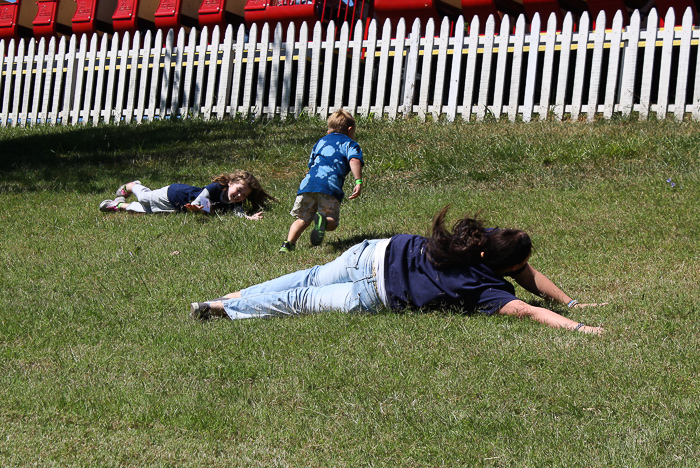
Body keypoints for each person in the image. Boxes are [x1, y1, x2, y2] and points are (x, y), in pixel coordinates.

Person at [190, 206, 605, 335]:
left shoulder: (478, 239)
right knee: (303, 301)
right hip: (374, 295)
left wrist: (570, 300)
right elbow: (530, 307)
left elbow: (527, 275)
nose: (524, 273)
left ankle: (236, 295)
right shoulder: (487, 290)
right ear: (501, 268)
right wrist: (580, 325)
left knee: (309, 277)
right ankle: (226, 309)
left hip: (374, 254)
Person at [279, 109, 364, 252]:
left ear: (328, 130)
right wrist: (358, 181)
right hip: (329, 187)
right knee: (332, 221)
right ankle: (323, 222)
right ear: (350, 130)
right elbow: (354, 159)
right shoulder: (350, 144)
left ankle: (288, 244)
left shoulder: (320, 142)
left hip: (308, 185)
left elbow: (311, 164)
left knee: (303, 219)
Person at [98, 171, 277, 219]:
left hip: (177, 208)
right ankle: (132, 186)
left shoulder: (235, 202)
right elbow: (200, 201)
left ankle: (117, 205)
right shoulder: (214, 188)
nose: (238, 195)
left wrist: (249, 218)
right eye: (238, 189)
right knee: (146, 198)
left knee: (144, 212)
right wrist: (199, 209)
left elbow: (238, 213)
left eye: (243, 195)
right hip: (173, 194)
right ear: (230, 183)